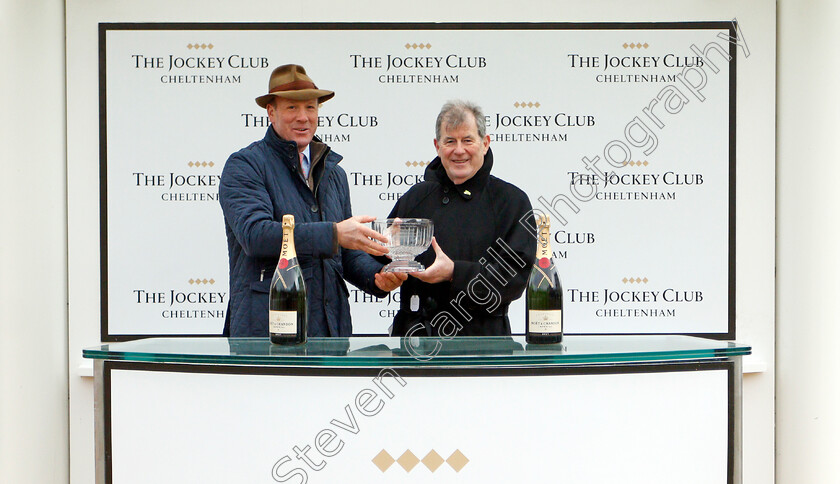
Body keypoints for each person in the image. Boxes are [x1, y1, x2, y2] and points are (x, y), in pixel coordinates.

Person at [219, 64, 406, 337]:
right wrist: (334, 234)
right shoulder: (245, 165)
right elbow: (255, 235)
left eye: (310, 107)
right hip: (266, 334)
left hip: (331, 333)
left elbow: (345, 254)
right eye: (291, 108)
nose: (303, 117)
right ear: (271, 112)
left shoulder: (334, 174)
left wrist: (378, 278)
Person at [386, 100, 537, 337]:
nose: (459, 150)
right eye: (450, 141)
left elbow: (514, 279)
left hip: (482, 347)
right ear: (437, 146)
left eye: (467, 140)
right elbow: (375, 261)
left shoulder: (511, 201)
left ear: (485, 143)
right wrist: (387, 260)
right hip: (414, 345)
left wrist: (454, 272)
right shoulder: (415, 198)